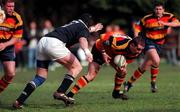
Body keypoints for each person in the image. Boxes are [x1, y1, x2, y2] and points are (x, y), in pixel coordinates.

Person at [13, 13, 103, 109]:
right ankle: (60, 92)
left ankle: (19, 101)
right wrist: (87, 52)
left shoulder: (75, 24)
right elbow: (83, 39)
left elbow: (84, 31)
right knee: (77, 67)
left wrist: (93, 29)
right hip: (54, 44)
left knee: (40, 77)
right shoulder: (83, 28)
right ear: (88, 23)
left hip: (43, 41)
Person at [66, 32, 145, 104]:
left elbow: (125, 61)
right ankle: (70, 95)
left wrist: (120, 67)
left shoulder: (135, 52)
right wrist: (104, 53)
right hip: (100, 50)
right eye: (138, 49)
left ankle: (116, 93)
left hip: (113, 54)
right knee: (91, 75)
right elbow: (102, 37)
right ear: (132, 45)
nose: (139, 52)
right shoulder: (118, 42)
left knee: (123, 72)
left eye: (141, 50)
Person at [124, 1, 180, 93]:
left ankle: (129, 83)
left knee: (144, 66)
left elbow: (177, 23)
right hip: (148, 41)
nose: (158, 11)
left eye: (160, 9)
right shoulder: (147, 18)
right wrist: (136, 36)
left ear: (163, 10)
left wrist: (166, 24)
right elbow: (137, 26)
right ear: (154, 10)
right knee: (156, 60)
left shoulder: (168, 16)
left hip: (159, 43)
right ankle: (153, 83)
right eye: (156, 9)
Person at [0, 0, 23, 93]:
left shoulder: (17, 18)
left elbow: (17, 38)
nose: (11, 8)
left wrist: (4, 44)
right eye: (9, 6)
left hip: (7, 46)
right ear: (3, 5)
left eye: (12, 6)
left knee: (10, 74)